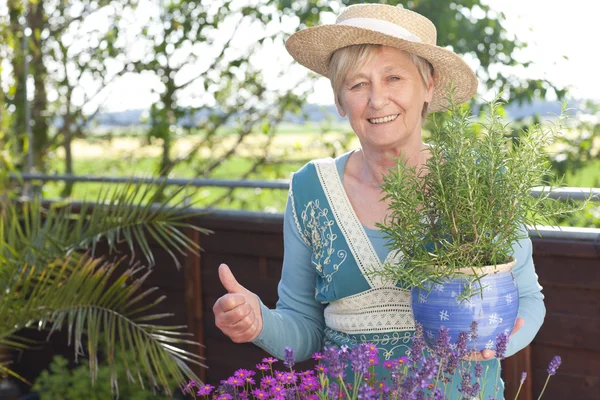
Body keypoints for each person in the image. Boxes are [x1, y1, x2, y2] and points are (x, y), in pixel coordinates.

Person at [213, 3, 545, 398]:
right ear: (340, 101)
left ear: (430, 86)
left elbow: (526, 299)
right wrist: (258, 322)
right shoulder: (310, 191)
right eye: (357, 85)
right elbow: (304, 327)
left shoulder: (478, 181)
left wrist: (499, 342)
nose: (377, 99)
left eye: (394, 78)